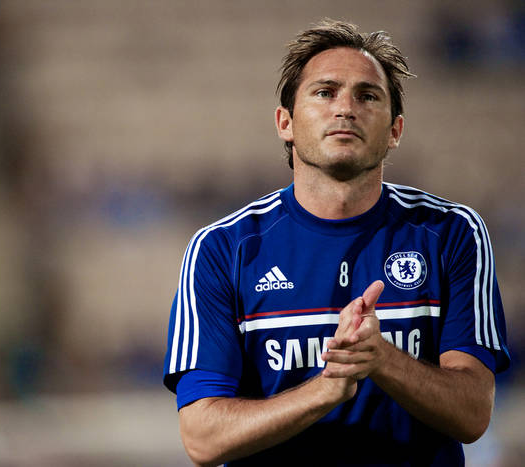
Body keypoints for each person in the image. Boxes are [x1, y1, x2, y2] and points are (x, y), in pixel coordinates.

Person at [162, 19, 510, 467]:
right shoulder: (223, 248)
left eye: (368, 96)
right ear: (285, 123)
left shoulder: (451, 232)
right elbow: (203, 438)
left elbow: (473, 414)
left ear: (395, 130)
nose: (345, 108)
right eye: (325, 92)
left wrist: (382, 359)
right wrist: (326, 388)